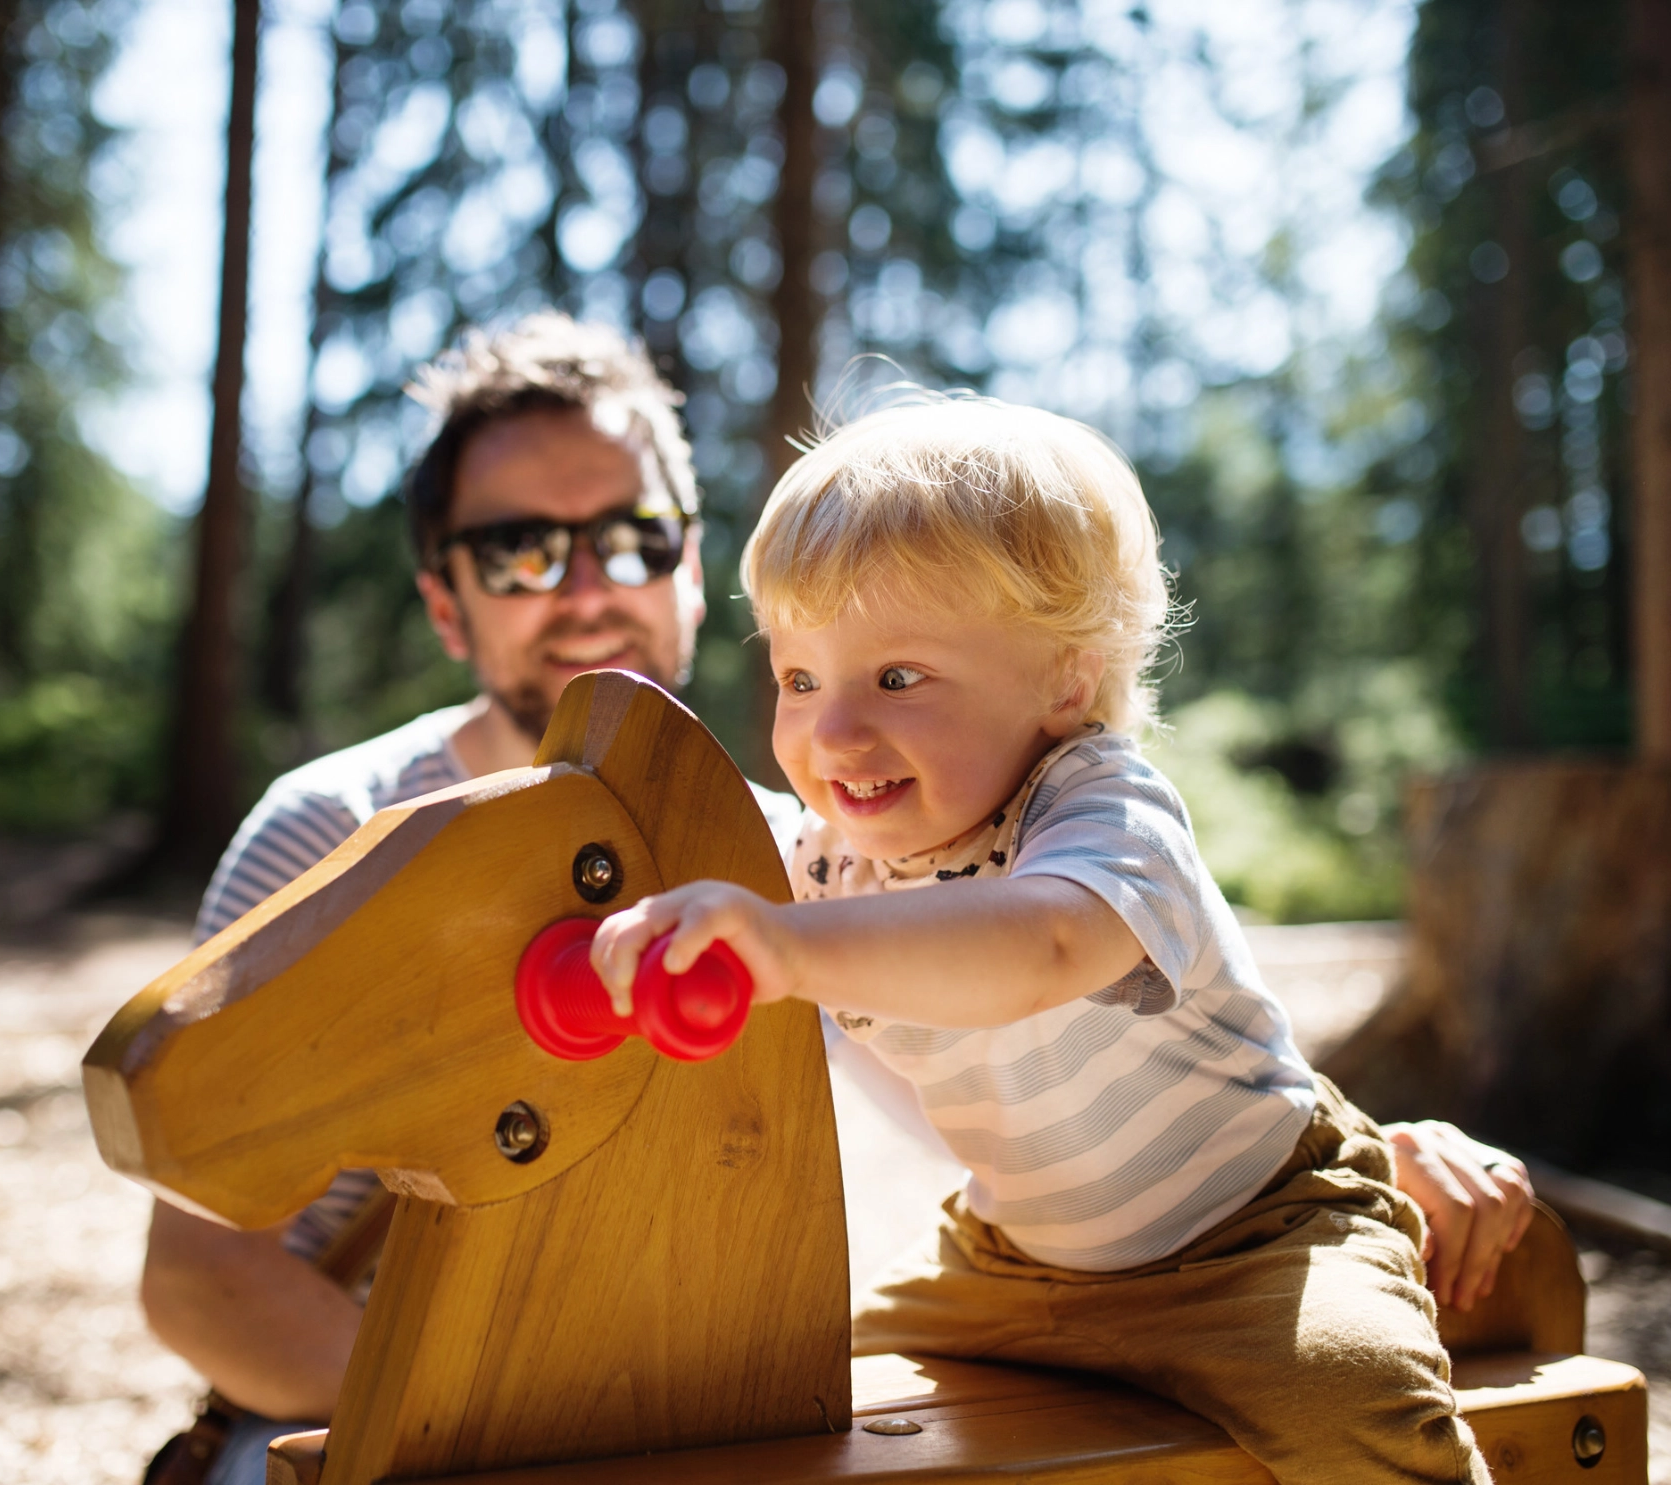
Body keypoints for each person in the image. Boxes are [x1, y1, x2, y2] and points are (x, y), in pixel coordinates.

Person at [141, 319, 1532, 1485]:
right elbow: (199, 1270)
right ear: (446, 603)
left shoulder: (875, 843)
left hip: (1208, 1248)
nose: (582, 584)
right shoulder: (348, 823)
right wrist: (487, 1428)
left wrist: (1342, 1148)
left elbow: (1040, 976)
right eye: (517, 550)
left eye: (629, 537)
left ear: (688, 568)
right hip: (404, 1390)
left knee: (1348, 1407)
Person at [593, 396, 1519, 1484]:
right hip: (1010, 1262)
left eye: (897, 677)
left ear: (1066, 680)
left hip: (1253, 1240)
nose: (832, 731)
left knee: (1353, 1406)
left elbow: (1040, 946)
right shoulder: (826, 856)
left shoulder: (1098, 807)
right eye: (801, 679)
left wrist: (790, 952)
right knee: (798, 1390)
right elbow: (684, 846)